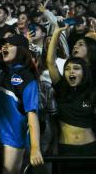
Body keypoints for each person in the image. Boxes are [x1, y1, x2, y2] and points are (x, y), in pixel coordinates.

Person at [0, 34, 44, 174]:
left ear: (22, 49)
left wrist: (35, 148)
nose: (5, 47)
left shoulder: (27, 77)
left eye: (10, 45)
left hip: (12, 137)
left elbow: (32, 115)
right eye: (4, 44)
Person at [46, 27, 96, 174]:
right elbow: (50, 62)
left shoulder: (92, 91)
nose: (71, 71)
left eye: (76, 68)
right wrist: (56, 33)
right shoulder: (61, 88)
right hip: (66, 150)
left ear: (84, 72)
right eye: (67, 69)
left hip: (90, 150)